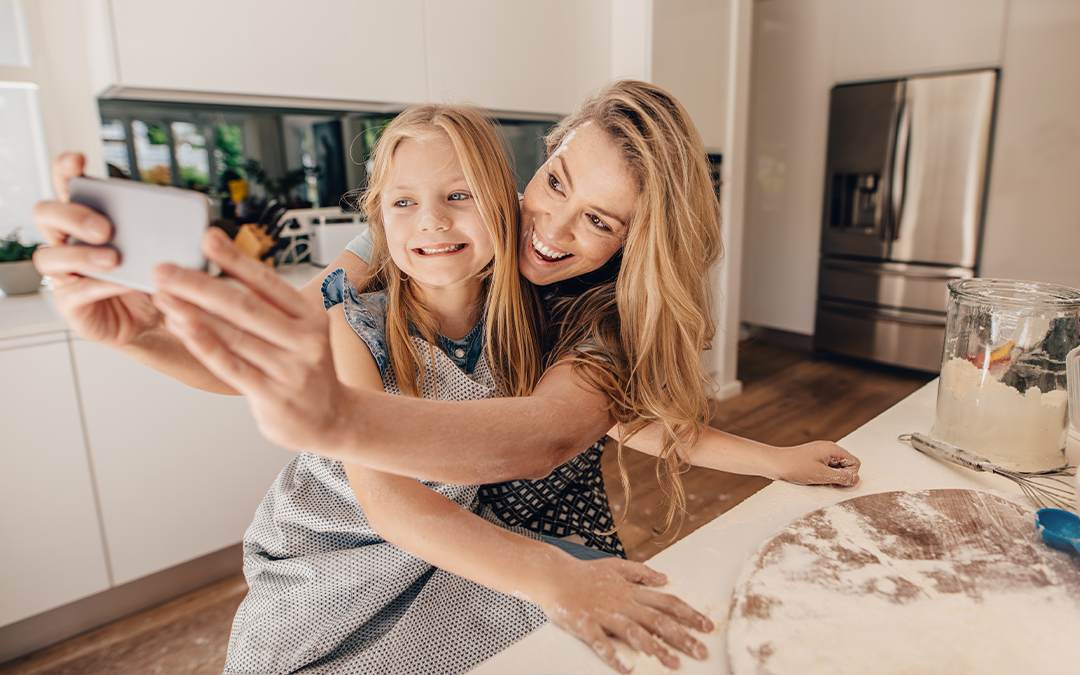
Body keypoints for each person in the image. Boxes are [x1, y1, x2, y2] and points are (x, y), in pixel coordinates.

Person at [33, 80, 859, 671]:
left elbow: (589, 422)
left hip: (465, 543)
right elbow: (285, 365)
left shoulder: (554, 312)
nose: (554, 226)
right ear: (532, 169)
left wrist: (767, 459)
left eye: (600, 220)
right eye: (557, 184)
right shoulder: (372, 292)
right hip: (336, 547)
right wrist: (144, 336)